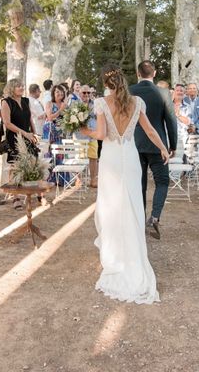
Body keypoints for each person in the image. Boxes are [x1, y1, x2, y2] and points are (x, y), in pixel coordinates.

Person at [80, 64, 168, 304]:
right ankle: (133, 253)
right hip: (129, 158)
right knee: (131, 203)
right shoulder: (137, 102)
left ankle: (115, 255)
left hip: (110, 159)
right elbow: (149, 130)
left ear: (106, 83)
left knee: (110, 207)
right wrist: (162, 148)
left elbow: (100, 134)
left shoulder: (101, 103)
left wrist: (83, 130)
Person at [129, 60, 178, 240]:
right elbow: (171, 121)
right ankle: (154, 217)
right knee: (162, 181)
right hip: (159, 146)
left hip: (135, 144)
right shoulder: (164, 92)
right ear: (154, 73)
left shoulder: (130, 91)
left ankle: (139, 222)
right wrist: (172, 145)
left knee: (139, 184)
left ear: (138, 73)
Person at [1, 78, 39, 210]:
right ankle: (15, 197)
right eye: (18, 86)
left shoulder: (26, 100)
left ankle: (34, 192)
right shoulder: (6, 102)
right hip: (14, 137)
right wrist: (24, 133)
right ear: (12, 88)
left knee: (33, 162)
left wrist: (34, 133)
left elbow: (29, 118)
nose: (22, 88)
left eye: (22, 86)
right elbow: (7, 123)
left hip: (28, 136)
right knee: (15, 166)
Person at [172, 83, 193, 158]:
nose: (179, 92)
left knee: (180, 159)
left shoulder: (187, 106)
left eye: (181, 91)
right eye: (177, 90)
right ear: (174, 92)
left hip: (182, 137)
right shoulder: (168, 105)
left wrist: (178, 115)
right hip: (168, 136)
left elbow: (188, 121)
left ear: (184, 93)